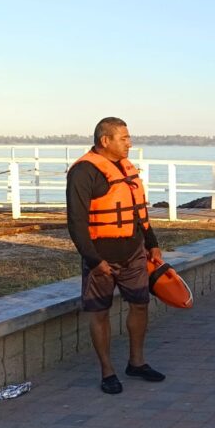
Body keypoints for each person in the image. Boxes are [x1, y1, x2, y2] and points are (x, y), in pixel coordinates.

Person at [66, 117, 165, 395]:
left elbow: (137, 212)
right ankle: (107, 371)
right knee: (99, 313)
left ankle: (137, 362)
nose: (129, 143)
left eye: (129, 137)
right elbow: (76, 222)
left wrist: (152, 243)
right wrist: (94, 261)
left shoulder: (124, 168)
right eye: (123, 138)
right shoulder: (84, 172)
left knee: (140, 304)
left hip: (133, 252)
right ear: (105, 140)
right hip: (101, 256)